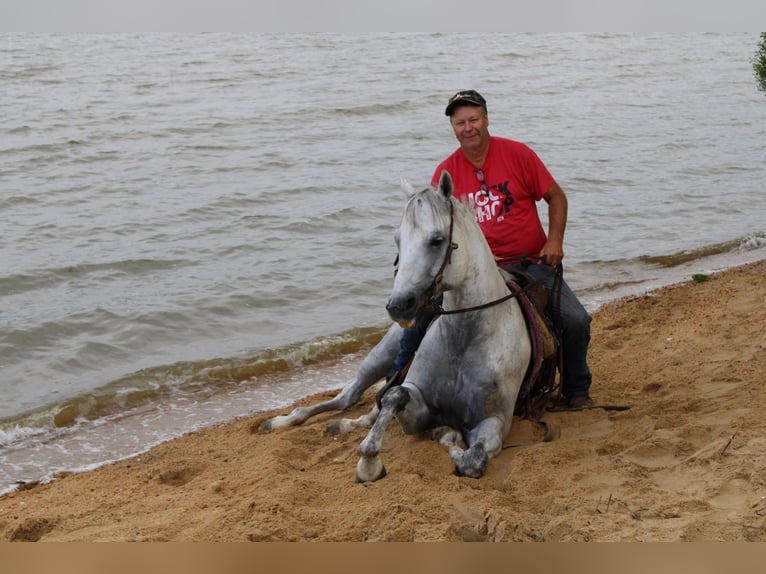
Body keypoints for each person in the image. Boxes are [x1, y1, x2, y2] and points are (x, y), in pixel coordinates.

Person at [388, 89, 593, 409]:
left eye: (473, 119)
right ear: (453, 128)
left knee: (576, 320)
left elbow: (557, 197)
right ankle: (396, 380)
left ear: (486, 119)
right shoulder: (446, 171)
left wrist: (555, 242)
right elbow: (434, 231)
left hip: (531, 262)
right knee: (421, 314)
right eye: (460, 123)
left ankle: (577, 390)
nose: (467, 127)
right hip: (476, 269)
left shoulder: (519, 154)